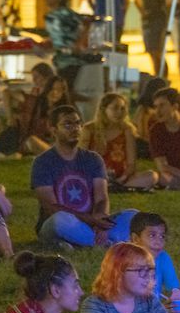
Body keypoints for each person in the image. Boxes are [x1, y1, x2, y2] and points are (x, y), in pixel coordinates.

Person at [31, 104, 137, 249]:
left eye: (77, 123)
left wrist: (101, 220)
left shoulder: (93, 159)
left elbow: (102, 197)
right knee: (59, 220)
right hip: (59, 224)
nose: (75, 128)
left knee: (133, 216)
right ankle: (106, 243)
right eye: (67, 124)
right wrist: (91, 220)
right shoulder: (42, 162)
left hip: (92, 222)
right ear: (53, 130)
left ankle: (88, 240)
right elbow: (51, 207)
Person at [79, 93, 159, 192]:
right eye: (115, 108)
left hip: (121, 178)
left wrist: (120, 180)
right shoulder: (89, 129)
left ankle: (116, 187)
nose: (119, 112)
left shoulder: (127, 129)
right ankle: (111, 187)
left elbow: (131, 164)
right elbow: (81, 160)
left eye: (122, 108)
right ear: (104, 109)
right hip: (94, 177)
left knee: (152, 176)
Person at [44, 0, 87, 89]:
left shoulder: (65, 14)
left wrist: (79, 43)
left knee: (65, 92)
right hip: (60, 60)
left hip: (70, 60)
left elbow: (86, 24)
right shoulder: (51, 15)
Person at [135, 0, 171, 74]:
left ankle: (160, 75)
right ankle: (160, 75)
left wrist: (143, 12)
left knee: (156, 51)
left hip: (155, 18)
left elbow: (136, 0)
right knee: (153, 51)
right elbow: (136, 0)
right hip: (154, 18)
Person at [20, 74, 72, 156]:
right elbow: (28, 127)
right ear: (47, 89)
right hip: (38, 141)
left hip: (58, 145)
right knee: (31, 140)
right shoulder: (37, 105)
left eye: (59, 90)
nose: (55, 93)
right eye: (52, 89)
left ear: (63, 93)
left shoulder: (65, 110)